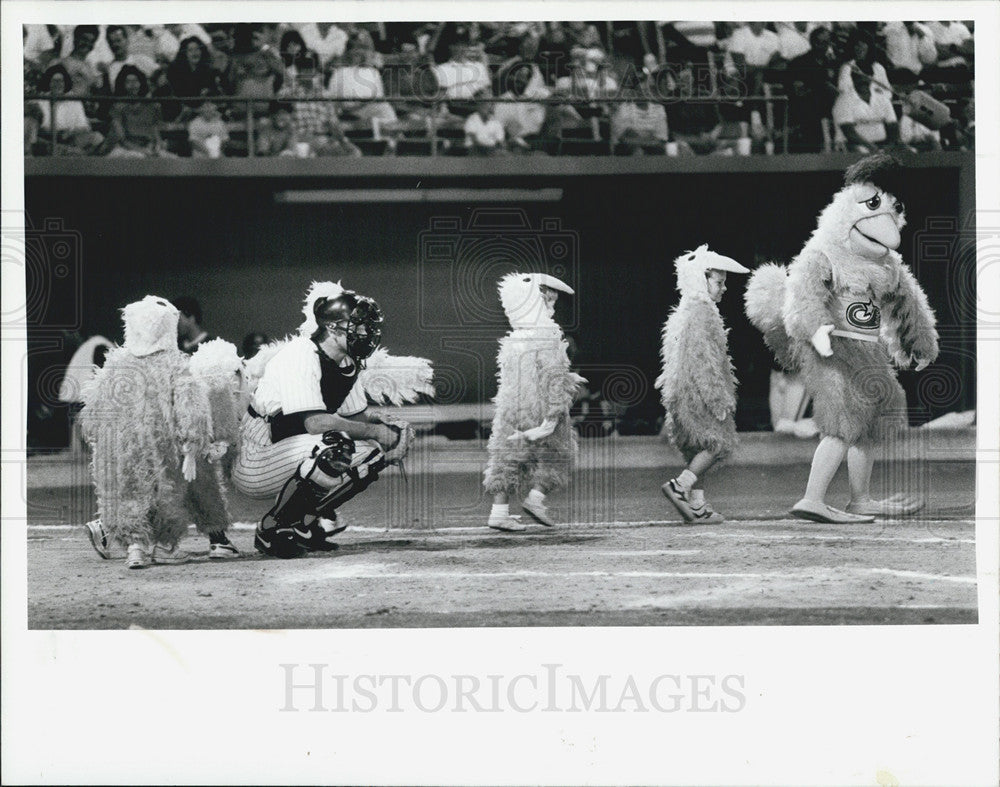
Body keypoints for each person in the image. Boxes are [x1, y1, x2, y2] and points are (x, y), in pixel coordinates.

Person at [744, 153, 939, 523]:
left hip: (868, 351)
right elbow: (802, 293)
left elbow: (908, 303)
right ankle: (812, 498)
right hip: (833, 348)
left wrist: (918, 343)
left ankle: (860, 498)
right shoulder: (825, 252)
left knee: (869, 422)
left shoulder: (886, 264)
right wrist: (816, 330)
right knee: (843, 420)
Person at [233, 282, 427, 557]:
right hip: (257, 454)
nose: (365, 332)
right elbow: (315, 423)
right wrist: (374, 431)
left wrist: (386, 427)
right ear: (333, 328)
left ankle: (303, 526)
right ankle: (271, 528)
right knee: (333, 446)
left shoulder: (347, 361)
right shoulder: (301, 353)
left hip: (289, 448)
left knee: (372, 455)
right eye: (357, 325)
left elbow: (354, 416)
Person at [78, 297, 228, 568]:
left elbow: (93, 410)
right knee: (167, 491)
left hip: (124, 444)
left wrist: (101, 441)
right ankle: (164, 547)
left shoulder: (116, 364)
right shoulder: (175, 365)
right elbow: (190, 408)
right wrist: (193, 445)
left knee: (129, 492)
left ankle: (135, 547)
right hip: (163, 443)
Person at [483, 273, 586, 532]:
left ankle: (499, 512)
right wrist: (553, 416)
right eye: (549, 303)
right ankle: (536, 499)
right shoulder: (548, 334)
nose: (552, 309)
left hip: (511, 408)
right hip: (540, 407)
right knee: (561, 453)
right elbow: (552, 378)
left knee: (507, 458)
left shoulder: (514, 338)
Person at [656, 246, 750, 524]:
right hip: (697, 393)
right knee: (717, 443)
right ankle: (681, 486)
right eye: (719, 283)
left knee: (700, 448)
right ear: (701, 279)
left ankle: (697, 504)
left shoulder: (686, 310)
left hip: (681, 392)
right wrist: (717, 398)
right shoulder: (702, 312)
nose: (723, 289)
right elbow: (703, 359)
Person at [832, 31, 900, 153]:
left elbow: (887, 93)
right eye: (856, 45)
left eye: (863, 45)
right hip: (856, 136)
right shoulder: (847, 67)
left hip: (877, 118)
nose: (859, 48)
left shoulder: (878, 67)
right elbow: (846, 91)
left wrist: (875, 94)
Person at [783, 26, 839, 153]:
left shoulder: (832, 63)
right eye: (820, 42)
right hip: (806, 108)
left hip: (831, 107)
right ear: (812, 42)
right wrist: (821, 87)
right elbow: (797, 92)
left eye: (827, 43)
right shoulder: (799, 63)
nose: (824, 46)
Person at [35, 65, 104, 155]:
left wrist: (70, 132)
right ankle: (74, 153)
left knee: (97, 137)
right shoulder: (40, 101)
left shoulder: (74, 101)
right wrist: (57, 133)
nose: (58, 84)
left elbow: (83, 126)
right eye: (54, 81)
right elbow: (40, 128)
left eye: (61, 81)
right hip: (49, 140)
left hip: (71, 139)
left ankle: (73, 153)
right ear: (48, 82)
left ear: (65, 83)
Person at [106, 65, 168, 157]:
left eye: (135, 81)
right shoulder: (117, 107)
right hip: (126, 149)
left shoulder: (152, 106)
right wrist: (143, 151)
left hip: (148, 147)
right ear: (122, 84)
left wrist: (158, 145)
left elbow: (155, 130)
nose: (132, 85)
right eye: (128, 82)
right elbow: (122, 140)